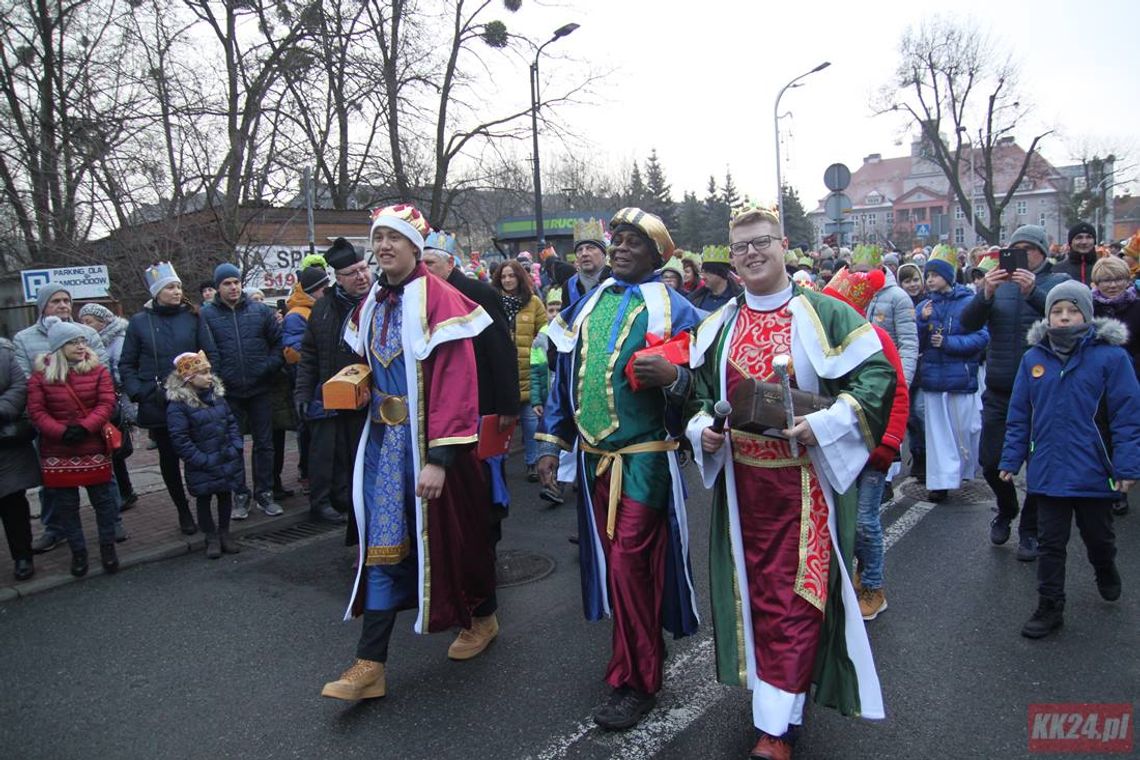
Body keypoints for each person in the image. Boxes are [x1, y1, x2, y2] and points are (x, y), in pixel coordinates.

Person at [684, 206, 891, 760]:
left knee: (797, 599)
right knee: (754, 598)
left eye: (762, 243)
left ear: (784, 246)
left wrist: (824, 423)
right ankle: (781, 706)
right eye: (741, 247)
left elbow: (876, 379)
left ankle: (776, 728)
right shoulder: (719, 326)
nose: (751, 254)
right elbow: (701, 397)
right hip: (742, 491)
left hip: (803, 490)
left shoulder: (826, 313)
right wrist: (703, 429)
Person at [535, 207, 704, 731]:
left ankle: (639, 681)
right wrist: (549, 442)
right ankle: (633, 657)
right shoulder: (588, 303)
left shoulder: (676, 309)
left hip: (644, 461)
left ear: (658, 254)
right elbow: (564, 373)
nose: (622, 248)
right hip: (592, 465)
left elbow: (707, 389)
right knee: (613, 567)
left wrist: (675, 379)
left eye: (635, 241)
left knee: (632, 564)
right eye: (619, 239)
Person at [321, 204, 498, 702]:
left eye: (392, 239)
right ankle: (369, 664)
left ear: (415, 247)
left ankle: (482, 617)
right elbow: (366, 363)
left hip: (436, 447)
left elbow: (457, 383)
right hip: (383, 445)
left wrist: (439, 459)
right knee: (383, 547)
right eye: (376, 239)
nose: (382, 247)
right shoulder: (373, 301)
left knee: (455, 542)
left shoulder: (441, 299)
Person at [999, 282, 1140, 638]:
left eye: (1072, 311)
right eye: (1057, 311)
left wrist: (1127, 466)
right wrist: (1011, 457)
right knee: (1050, 543)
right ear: (1047, 317)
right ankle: (1050, 606)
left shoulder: (1111, 357)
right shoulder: (1034, 359)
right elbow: (1019, 413)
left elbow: (1127, 415)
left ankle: (1105, 567)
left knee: (1099, 537)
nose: (1064, 318)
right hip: (1048, 468)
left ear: (1087, 314)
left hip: (1094, 467)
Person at [961, 224, 1069, 559]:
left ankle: (1030, 530)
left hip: (1044, 394)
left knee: (1039, 467)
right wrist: (985, 293)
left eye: (1029, 249)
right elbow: (968, 323)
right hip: (1000, 388)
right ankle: (1007, 508)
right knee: (991, 462)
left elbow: (1067, 327)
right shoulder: (997, 283)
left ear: (1043, 251)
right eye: (1015, 249)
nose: (1021, 256)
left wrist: (1033, 292)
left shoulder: (1059, 284)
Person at [820, 267, 910, 622]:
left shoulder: (876, 339)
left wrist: (888, 443)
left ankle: (872, 584)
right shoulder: (820, 341)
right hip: (833, 447)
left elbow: (898, 391)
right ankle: (839, 582)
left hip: (871, 450)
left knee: (863, 522)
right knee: (833, 519)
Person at [422, 229, 521, 550]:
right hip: (445, 407)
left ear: (450, 262)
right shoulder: (423, 296)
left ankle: (486, 544)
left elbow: (501, 352)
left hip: (483, 404)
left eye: (430, 263)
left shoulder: (480, 293)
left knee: (485, 480)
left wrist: (507, 405)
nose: (424, 269)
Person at [121, 262, 219, 535]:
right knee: (169, 458)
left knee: (197, 455)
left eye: (178, 286)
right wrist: (140, 391)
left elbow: (209, 353)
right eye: (170, 287)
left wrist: (207, 384)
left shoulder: (193, 316)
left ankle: (202, 506)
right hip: (158, 402)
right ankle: (182, 510)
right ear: (157, 292)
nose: (177, 292)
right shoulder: (140, 323)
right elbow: (126, 363)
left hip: (192, 399)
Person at [15, 284, 108, 552]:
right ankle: (55, 529)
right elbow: (26, 382)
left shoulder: (88, 333)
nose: (63, 305)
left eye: (67, 300)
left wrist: (88, 422)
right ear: (43, 306)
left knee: (103, 482)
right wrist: (56, 427)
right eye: (56, 301)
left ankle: (111, 528)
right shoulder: (24, 338)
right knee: (53, 486)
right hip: (52, 431)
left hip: (90, 425)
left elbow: (103, 374)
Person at [26, 318, 119, 577]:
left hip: (93, 445)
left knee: (104, 501)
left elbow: (106, 402)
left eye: (81, 340)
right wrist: (61, 432)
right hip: (58, 450)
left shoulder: (97, 370)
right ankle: (78, 552)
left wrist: (85, 427)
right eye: (73, 342)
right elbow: (36, 410)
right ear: (58, 346)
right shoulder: (40, 376)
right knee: (67, 506)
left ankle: (108, 547)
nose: (80, 346)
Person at [200, 263, 285, 520]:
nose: (233, 287)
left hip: (260, 388)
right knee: (232, 446)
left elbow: (278, 344)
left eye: (236, 282)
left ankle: (265, 493)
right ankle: (240, 494)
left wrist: (266, 367)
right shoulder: (207, 316)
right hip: (228, 392)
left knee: (265, 444)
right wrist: (219, 376)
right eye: (227, 283)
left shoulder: (260, 311)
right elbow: (205, 350)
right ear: (218, 287)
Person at [295, 239, 369, 525]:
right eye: (352, 273)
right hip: (328, 395)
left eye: (363, 269)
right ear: (338, 278)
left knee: (357, 457)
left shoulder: (379, 301)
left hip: (366, 398)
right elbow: (309, 355)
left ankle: (354, 505)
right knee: (327, 455)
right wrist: (302, 393)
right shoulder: (323, 307)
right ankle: (326, 502)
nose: (361, 276)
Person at [915, 246, 989, 502]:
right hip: (934, 379)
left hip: (961, 376)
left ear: (948, 275)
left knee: (968, 428)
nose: (930, 280)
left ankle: (965, 470)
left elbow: (981, 337)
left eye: (935, 274)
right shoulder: (925, 306)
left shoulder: (969, 301)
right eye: (928, 275)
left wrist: (948, 344)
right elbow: (916, 342)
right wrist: (922, 323)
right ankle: (940, 482)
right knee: (937, 435)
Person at [165, 351, 243, 560]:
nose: (209, 376)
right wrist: (201, 459)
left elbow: (232, 422)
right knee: (204, 498)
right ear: (188, 377)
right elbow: (180, 439)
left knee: (225, 494)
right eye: (202, 373)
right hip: (202, 462)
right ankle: (211, 537)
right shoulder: (178, 406)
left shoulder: (217, 398)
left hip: (225, 455)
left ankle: (225, 533)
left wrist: (236, 445)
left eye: (209, 371)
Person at [79, 303, 139, 513]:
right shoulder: (90, 342)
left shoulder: (117, 340)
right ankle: (124, 491)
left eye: (89, 322)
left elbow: (120, 370)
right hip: (102, 398)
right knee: (111, 449)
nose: (85, 326)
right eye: (83, 322)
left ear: (102, 321)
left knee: (115, 447)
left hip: (115, 398)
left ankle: (125, 491)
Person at [491, 258, 546, 482]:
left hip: (527, 369)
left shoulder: (533, 302)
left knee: (531, 422)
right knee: (501, 424)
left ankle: (532, 462)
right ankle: (498, 463)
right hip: (502, 373)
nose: (507, 280)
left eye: (511, 275)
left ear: (519, 277)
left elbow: (544, 329)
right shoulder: (493, 302)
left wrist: (538, 346)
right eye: (503, 276)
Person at [282, 256, 330, 494]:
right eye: (324, 288)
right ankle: (310, 479)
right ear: (314, 291)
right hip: (310, 385)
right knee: (312, 439)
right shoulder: (297, 315)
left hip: (323, 385)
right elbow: (293, 352)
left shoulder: (321, 308)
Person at [0, 337, 41, 581]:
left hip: (5, 444)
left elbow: (18, 387)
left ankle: (22, 556)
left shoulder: (4, 355)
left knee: (13, 503)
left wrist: (2, 409)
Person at [529, 287, 565, 504]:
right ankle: (553, 485)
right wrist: (536, 399)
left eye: (557, 308)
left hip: (565, 397)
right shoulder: (541, 337)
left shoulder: (573, 330)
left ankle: (563, 482)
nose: (553, 313)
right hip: (548, 397)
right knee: (550, 442)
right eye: (550, 309)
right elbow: (535, 371)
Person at [545, 219, 611, 308]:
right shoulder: (569, 286)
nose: (584, 253)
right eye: (580, 250)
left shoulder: (615, 281)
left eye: (590, 248)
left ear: (604, 254)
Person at [688, 245, 742, 311]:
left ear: (720, 272)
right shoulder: (695, 298)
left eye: (707, 272)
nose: (703, 277)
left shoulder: (740, 298)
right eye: (702, 272)